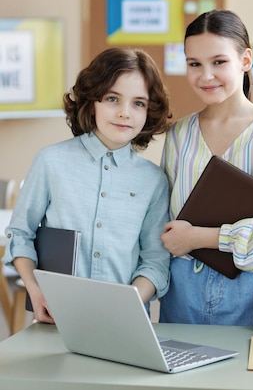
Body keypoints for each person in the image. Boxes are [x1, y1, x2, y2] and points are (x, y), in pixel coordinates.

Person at [3, 47, 172, 324]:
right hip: (56, 319)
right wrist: (35, 290)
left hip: (123, 324)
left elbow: (155, 261)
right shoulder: (51, 161)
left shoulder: (153, 180)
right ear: (92, 101)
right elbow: (20, 234)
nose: (125, 113)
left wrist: (125, 304)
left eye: (138, 103)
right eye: (112, 98)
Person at [158, 10, 253, 326]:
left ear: (245, 60)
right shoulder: (179, 134)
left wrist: (200, 237)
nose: (205, 75)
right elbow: (163, 216)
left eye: (218, 62)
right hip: (181, 290)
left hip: (248, 292)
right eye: (194, 64)